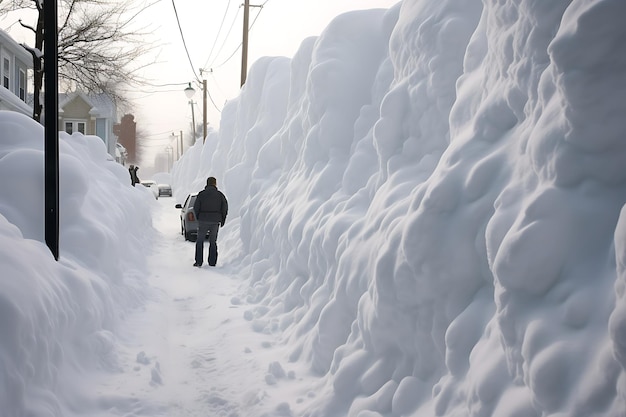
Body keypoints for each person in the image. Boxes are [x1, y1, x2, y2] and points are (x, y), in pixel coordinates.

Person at [192, 176, 228, 267]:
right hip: (215, 221)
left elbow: (196, 207)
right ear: (215, 183)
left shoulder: (201, 194)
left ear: (207, 183)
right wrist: (222, 220)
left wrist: (199, 218)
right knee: (213, 241)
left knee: (200, 241)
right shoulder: (220, 195)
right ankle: (212, 262)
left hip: (203, 220)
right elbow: (224, 208)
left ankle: (199, 261)